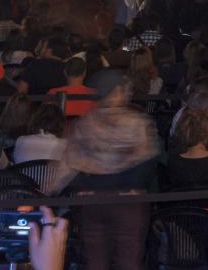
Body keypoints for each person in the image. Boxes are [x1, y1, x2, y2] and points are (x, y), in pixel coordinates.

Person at [54, 69, 161, 270]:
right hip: (128, 200)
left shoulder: (85, 123)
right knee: (128, 260)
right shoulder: (136, 122)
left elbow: (68, 164)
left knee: (95, 261)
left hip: (92, 200)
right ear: (118, 91)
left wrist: (50, 193)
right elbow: (149, 157)